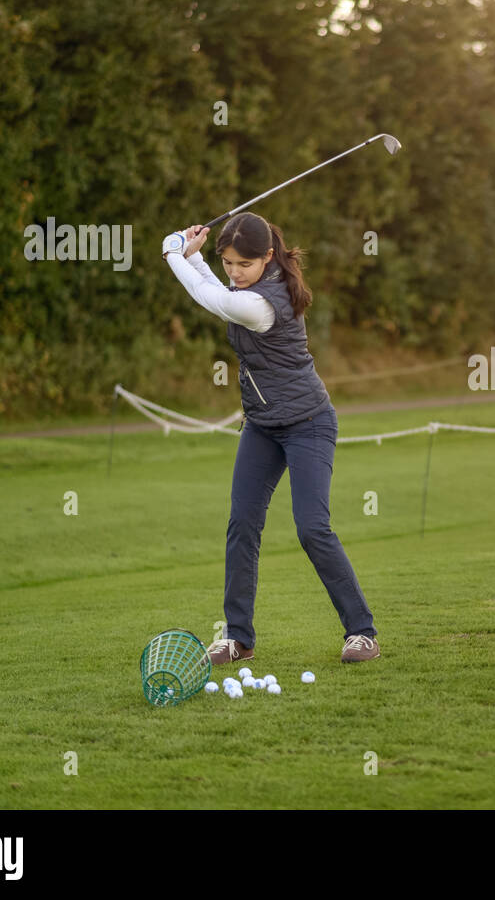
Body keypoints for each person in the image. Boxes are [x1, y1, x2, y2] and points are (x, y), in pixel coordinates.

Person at [160, 212, 379, 665]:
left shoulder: (265, 303)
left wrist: (171, 253)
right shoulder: (245, 287)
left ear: (268, 257)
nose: (235, 273)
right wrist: (195, 258)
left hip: (308, 423)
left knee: (312, 528)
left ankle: (362, 633)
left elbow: (215, 301)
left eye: (244, 264)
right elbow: (220, 292)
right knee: (242, 524)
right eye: (227, 264)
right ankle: (238, 638)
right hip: (262, 425)